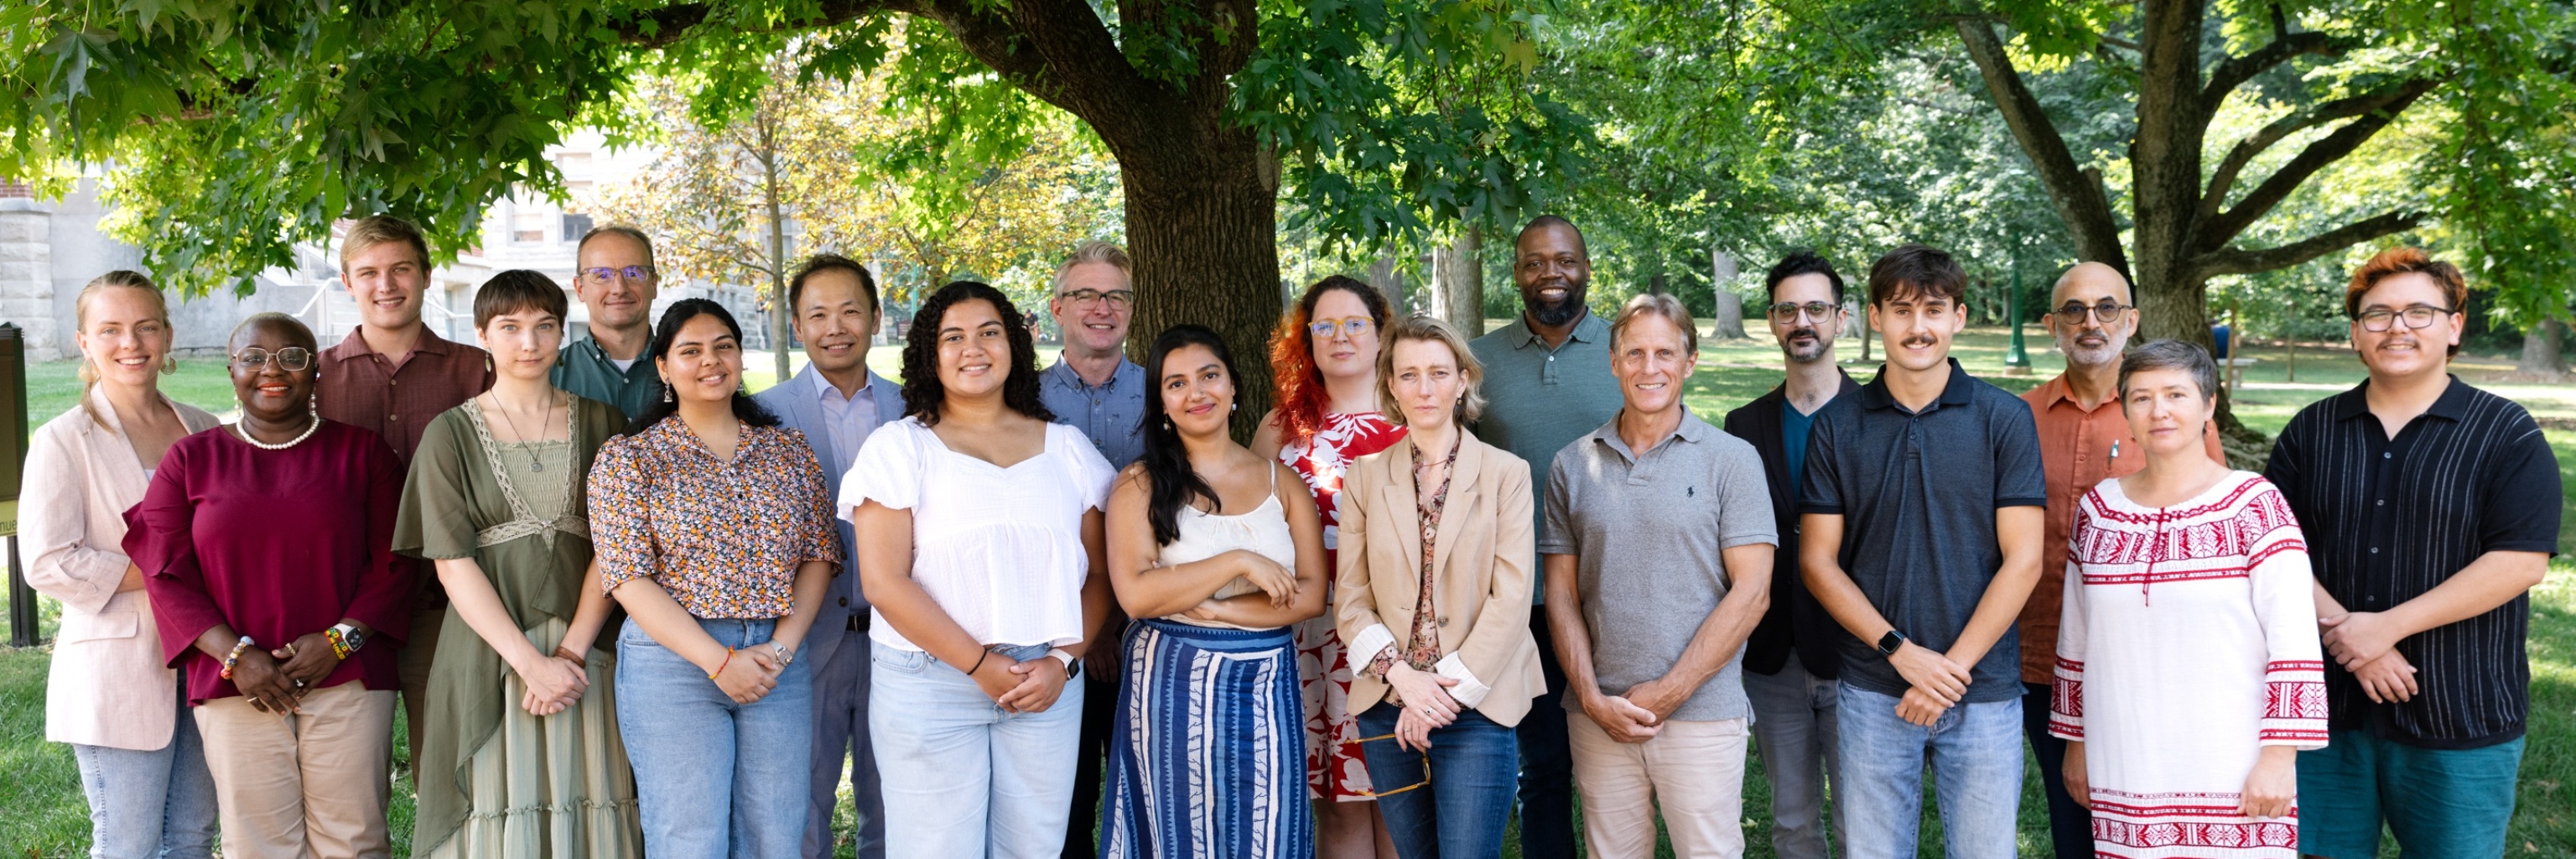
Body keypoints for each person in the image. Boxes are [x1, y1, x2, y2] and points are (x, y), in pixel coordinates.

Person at [2263, 247, 2559, 859]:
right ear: (2355, 333)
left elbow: (2520, 561)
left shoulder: (2507, 432)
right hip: (2325, 713)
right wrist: (2348, 633)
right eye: (2378, 315)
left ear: (2454, 327)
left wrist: (2383, 631)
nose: (2398, 327)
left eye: (2419, 312)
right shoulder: (2311, 430)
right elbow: (2275, 550)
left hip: (2461, 711)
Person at [125, 312, 416, 859]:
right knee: (258, 844)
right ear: (232, 370)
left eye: (291, 356)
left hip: (348, 675)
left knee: (354, 838)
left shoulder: (364, 454)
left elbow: (396, 562)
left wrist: (338, 641)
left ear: (316, 371)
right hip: (235, 683)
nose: (271, 370)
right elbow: (164, 573)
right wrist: (236, 656)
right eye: (253, 358)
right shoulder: (190, 459)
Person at [844, 280, 1117, 855]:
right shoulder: (900, 449)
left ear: (1013, 345)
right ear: (929, 354)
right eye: (954, 337)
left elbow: (1097, 576)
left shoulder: (1066, 449)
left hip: (1043, 681)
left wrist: (1064, 662)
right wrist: (978, 666)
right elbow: (884, 583)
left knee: (1034, 848)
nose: (974, 348)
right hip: (930, 683)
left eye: (989, 333)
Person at [1798, 244, 2046, 858]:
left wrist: (1947, 671)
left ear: (1958, 318)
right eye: (1902, 310)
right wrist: (1902, 655)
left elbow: (2025, 560)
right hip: (1875, 686)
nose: (1918, 327)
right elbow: (1817, 562)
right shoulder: (1836, 425)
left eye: (1934, 310)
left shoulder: (2004, 418)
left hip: (1982, 687)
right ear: (1875, 318)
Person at [394, 270, 641, 856]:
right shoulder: (448, 435)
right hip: (491, 652)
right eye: (510, 327)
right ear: (482, 334)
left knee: (591, 789)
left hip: (589, 651)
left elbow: (618, 546)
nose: (528, 343)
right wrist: (531, 664)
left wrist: (569, 655)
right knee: (496, 802)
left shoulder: (605, 423)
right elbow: (452, 564)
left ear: (563, 332)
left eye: (544, 326)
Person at [2049, 339, 2326, 859]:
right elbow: (2077, 639)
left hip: (2234, 764)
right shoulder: (2100, 510)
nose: (2159, 411)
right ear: (2125, 410)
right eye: (2141, 398)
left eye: (2176, 394)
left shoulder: (2255, 505)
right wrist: (2077, 744)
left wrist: (2279, 758)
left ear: (2209, 405)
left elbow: (2294, 640)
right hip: (2126, 757)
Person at [589, 299, 841, 856]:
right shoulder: (630, 459)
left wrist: (779, 651)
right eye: (691, 350)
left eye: (723, 346)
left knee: (776, 833)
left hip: (777, 660)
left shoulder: (787, 450)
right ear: (663, 367)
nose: (711, 361)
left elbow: (819, 554)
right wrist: (718, 662)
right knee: (689, 838)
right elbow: (627, 577)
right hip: (675, 667)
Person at [1544, 294, 1774, 859]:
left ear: (1689, 361)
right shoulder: (1573, 463)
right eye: (1636, 353)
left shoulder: (1732, 459)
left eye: (1665, 353)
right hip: (1599, 715)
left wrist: (1668, 693)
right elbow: (1561, 593)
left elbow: (1753, 593)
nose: (1651, 368)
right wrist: (1594, 700)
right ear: (1614, 362)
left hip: (1700, 712)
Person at [2015, 261, 2227, 859]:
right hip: (2038, 659)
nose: (2092, 322)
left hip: (2148, 661)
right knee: (2073, 812)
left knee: (2154, 816)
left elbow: (2208, 530)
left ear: (2130, 320)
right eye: (2075, 310)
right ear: (2051, 325)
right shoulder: (2015, 417)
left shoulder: (2165, 415)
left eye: (2107, 307)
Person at [1098, 324, 1329, 856]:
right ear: (1160, 401)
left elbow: (1312, 594)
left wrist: (1203, 605)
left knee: (1269, 825)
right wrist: (1238, 560)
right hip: (1172, 680)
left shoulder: (1281, 482)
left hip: (1267, 678)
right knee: (1181, 827)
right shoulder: (1140, 484)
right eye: (1176, 383)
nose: (1196, 393)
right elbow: (1136, 597)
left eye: (1209, 376)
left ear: (1233, 388)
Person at [23, 272, 222, 859]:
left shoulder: (205, 427)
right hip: (119, 670)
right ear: (85, 342)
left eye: (145, 327)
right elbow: (48, 561)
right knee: (128, 843)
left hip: (208, 661)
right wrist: (170, 572)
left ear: (167, 335)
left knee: (193, 836)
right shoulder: (62, 440)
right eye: (110, 330)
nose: (130, 344)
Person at [1337, 315, 1545, 859]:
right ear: (1390, 386)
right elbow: (1352, 602)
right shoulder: (1363, 477)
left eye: (1438, 372)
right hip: (1388, 700)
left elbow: (1512, 598)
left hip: (1477, 700)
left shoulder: (1507, 474)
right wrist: (1406, 682)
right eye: (1408, 375)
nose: (1424, 388)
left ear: (1463, 380)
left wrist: (1434, 698)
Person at [1463, 216, 1622, 858]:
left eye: (1564, 260)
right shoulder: (1477, 362)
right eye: (1534, 262)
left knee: (1615, 761)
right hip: (1515, 595)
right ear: (1516, 272)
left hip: (1612, 589)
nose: (1550, 273)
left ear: (1587, 267)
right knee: (1543, 764)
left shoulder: (1625, 351)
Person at [314, 214, 495, 767]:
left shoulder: (476, 370)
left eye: (400, 270)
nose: (385, 285)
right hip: (340, 605)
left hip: (445, 602)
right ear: (347, 282)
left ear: (426, 275)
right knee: (343, 777)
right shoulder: (315, 379)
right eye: (367, 272)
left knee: (445, 764)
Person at [752, 254, 906, 859]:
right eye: (818, 314)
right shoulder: (760, 415)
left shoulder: (917, 406)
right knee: (799, 802)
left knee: (895, 798)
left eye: (849, 311)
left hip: (902, 639)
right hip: (803, 638)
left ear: (874, 317)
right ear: (796, 325)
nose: (835, 326)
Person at [1252, 275, 1407, 858]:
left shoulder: (1418, 418)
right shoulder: (1278, 430)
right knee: (1338, 807)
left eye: (1355, 324)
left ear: (1381, 333)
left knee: (1402, 803)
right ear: (1306, 339)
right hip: (1312, 637)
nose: (1340, 337)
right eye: (1325, 325)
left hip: (1400, 637)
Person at [1722, 251, 1858, 859]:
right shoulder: (1743, 425)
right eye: (1787, 309)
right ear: (1772, 321)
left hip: (1860, 657)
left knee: (1866, 823)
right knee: (1792, 821)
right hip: (1773, 657)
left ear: (1842, 318)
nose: (1802, 320)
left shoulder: (1876, 417)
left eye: (1816, 308)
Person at [1035, 241, 1148, 859]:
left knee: (1146, 798)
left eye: (1116, 295)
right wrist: (1092, 633)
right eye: (1086, 294)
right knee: (1064, 803)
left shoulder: (1169, 393)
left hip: (1157, 626)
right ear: (1057, 307)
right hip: (1058, 634)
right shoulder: (1023, 401)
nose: (1102, 307)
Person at [555, 224, 668, 419]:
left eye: (633, 274)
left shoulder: (689, 368)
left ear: (653, 284)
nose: (619, 288)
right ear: (580, 288)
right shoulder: (549, 375)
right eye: (602, 275)